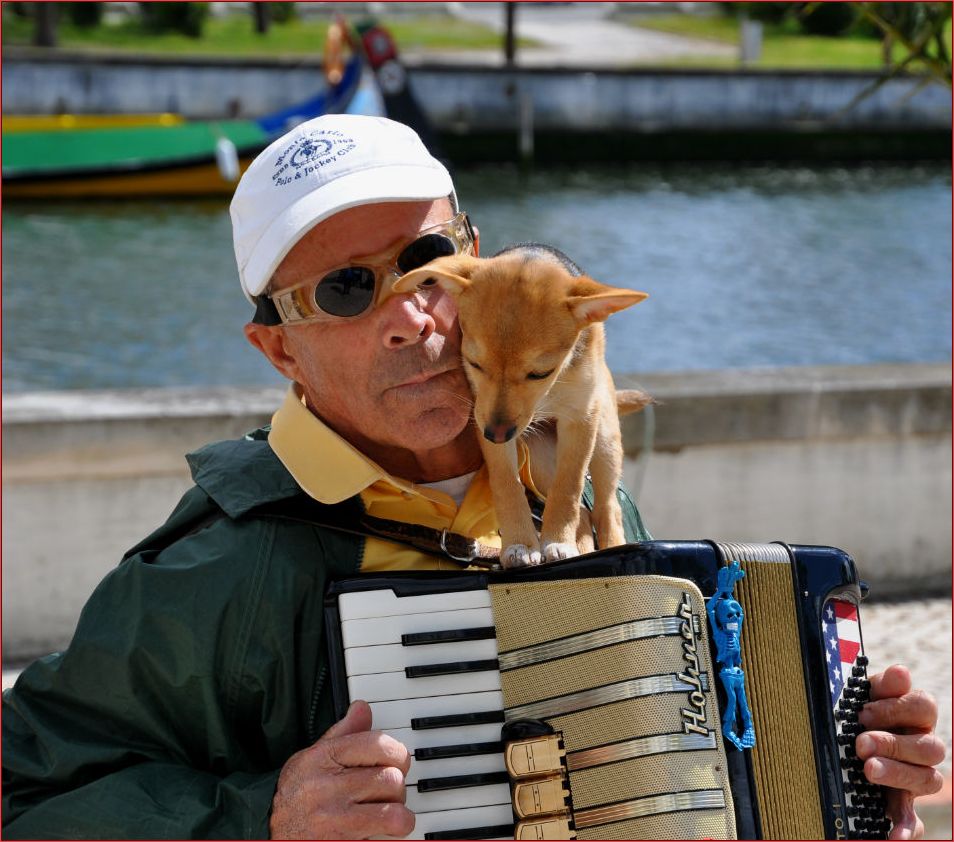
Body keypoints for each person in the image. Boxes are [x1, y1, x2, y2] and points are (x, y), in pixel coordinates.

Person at [2, 115, 944, 840]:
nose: (412, 316)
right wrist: (264, 818)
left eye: (427, 261)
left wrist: (843, 770)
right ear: (279, 351)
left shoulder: (577, 492)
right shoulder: (216, 569)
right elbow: (25, 793)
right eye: (346, 290)